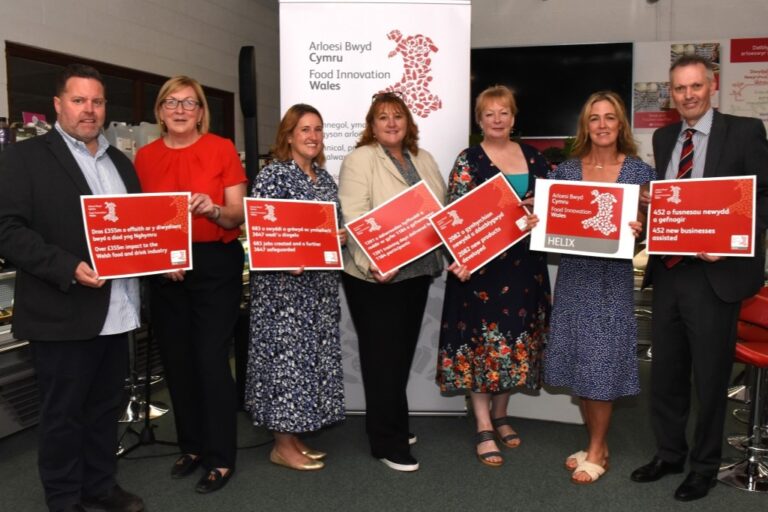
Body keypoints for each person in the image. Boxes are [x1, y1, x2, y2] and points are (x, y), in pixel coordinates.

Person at [0, 64, 144, 512]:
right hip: (63, 308)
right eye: (79, 100)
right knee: (63, 415)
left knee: (105, 407)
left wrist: (163, 257)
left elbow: (139, 228)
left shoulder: (121, 162)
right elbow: (7, 230)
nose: (89, 110)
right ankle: (64, 500)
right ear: (58, 105)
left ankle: (100, 486)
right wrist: (68, 266)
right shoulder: (25, 158)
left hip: (118, 309)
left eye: (97, 102)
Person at [630, 55, 768, 501]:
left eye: (695, 86)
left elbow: (762, 199)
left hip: (715, 275)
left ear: (712, 87)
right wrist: (647, 219)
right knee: (665, 373)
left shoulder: (745, 131)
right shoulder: (667, 136)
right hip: (669, 271)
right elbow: (677, 203)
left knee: (710, 379)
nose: (687, 95)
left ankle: (704, 466)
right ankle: (670, 453)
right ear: (670, 94)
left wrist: (730, 241)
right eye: (679, 89)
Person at [134, 76, 246, 494]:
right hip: (166, 269)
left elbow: (237, 216)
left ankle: (220, 456)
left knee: (210, 359)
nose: (180, 110)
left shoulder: (220, 149)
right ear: (160, 111)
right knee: (177, 361)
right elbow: (141, 219)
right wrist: (161, 258)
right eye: (171, 102)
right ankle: (193, 446)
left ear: (201, 110)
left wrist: (214, 209)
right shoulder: (143, 157)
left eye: (189, 103)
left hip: (215, 265)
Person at [435, 85, 551, 467]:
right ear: (479, 120)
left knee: (515, 343)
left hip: (525, 268)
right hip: (480, 270)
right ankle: (483, 424)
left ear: (514, 118)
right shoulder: (469, 160)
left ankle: (501, 415)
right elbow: (455, 216)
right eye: (489, 114)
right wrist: (462, 257)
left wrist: (540, 212)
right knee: (481, 344)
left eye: (504, 112)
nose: (497, 119)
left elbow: (556, 213)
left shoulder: (537, 160)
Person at [542, 91, 654, 484]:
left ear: (620, 124)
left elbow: (661, 228)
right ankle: (597, 444)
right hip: (575, 278)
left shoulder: (639, 173)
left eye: (610, 117)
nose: (602, 125)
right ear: (585, 126)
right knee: (581, 361)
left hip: (612, 281)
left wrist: (644, 230)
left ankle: (596, 451)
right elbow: (552, 223)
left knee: (602, 363)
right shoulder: (567, 172)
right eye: (594, 118)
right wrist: (534, 215)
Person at [339, 92, 446, 472]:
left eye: (397, 116)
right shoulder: (359, 159)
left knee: (399, 355)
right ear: (372, 125)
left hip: (416, 274)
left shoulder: (423, 158)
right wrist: (373, 264)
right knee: (382, 359)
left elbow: (441, 212)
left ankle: (391, 423)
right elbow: (354, 216)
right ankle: (386, 441)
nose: (390, 123)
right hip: (375, 278)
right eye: (382, 117)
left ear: (408, 123)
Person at [245, 104, 346, 471]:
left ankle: (294, 436)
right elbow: (261, 235)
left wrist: (341, 236)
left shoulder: (326, 179)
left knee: (309, 363)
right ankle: (281, 445)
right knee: (284, 364)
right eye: (304, 129)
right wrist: (283, 256)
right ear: (288, 135)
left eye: (318, 129)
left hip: (318, 289)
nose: (313, 136)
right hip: (283, 291)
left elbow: (331, 229)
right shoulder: (273, 176)